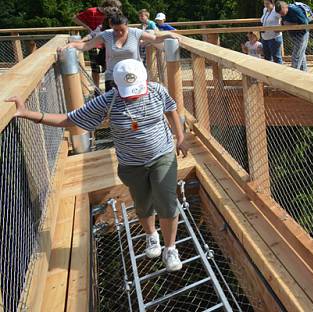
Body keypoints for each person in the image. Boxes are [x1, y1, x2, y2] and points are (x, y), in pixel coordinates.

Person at [5, 59, 189, 272]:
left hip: (162, 155)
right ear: (117, 85)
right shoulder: (108, 101)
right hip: (132, 164)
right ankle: (151, 235)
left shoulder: (157, 90)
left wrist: (181, 137)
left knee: (167, 202)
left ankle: (170, 248)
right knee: (143, 203)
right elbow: (69, 119)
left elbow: (171, 109)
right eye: (129, 91)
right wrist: (29, 114)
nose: (134, 95)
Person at [61, 13, 177, 91]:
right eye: (116, 30)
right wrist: (71, 45)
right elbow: (86, 46)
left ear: (127, 25)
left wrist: (169, 34)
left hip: (136, 75)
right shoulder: (106, 35)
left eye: (122, 30)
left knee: (137, 106)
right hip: (113, 76)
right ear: (111, 26)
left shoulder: (135, 32)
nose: (119, 33)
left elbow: (155, 39)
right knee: (115, 108)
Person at [72, 0, 122, 88]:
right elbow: (75, 18)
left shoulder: (112, 14)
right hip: (95, 42)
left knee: (111, 65)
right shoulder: (92, 11)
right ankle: (97, 89)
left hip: (109, 43)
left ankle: (113, 86)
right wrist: (86, 26)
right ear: (108, 6)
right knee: (95, 67)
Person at [277, 0, 309, 71]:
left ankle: (294, 74)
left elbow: (305, 24)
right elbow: (284, 22)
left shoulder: (295, 10)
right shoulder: (283, 13)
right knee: (301, 54)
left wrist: (289, 24)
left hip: (302, 34)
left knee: (296, 56)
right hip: (293, 35)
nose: (282, 15)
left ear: (285, 7)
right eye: (280, 14)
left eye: (282, 13)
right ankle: (304, 73)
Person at [259, 0, 283, 64]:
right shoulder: (265, 10)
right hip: (265, 38)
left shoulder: (276, 11)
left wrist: (280, 28)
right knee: (267, 58)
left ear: (272, 3)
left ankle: (280, 74)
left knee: (277, 58)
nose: (265, 5)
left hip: (274, 38)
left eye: (267, 3)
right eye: (264, 3)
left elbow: (283, 18)